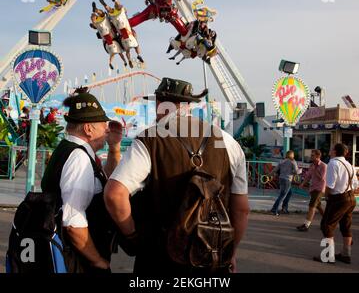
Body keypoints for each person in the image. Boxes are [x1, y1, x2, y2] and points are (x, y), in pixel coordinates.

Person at [104, 77, 249, 275]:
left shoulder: (150, 139)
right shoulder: (229, 142)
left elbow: (114, 194)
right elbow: (241, 210)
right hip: (211, 256)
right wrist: (229, 251)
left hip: (159, 258)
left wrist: (133, 237)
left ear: (159, 103)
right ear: (188, 105)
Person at [41, 87, 123, 273]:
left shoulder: (68, 149)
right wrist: (98, 261)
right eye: (104, 125)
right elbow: (73, 221)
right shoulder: (79, 158)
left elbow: (106, 181)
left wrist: (114, 148)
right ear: (88, 129)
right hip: (77, 259)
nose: (107, 129)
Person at [314, 143, 358, 264]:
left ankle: (328, 256)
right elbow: (355, 185)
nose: (329, 150)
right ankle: (346, 254)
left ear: (334, 151)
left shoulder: (333, 163)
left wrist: (326, 196)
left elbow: (330, 185)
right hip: (350, 198)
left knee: (326, 225)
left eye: (331, 148)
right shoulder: (349, 164)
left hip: (338, 198)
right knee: (346, 226)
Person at [296, 150, 327, 231]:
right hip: (312, 188)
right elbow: (308, 176)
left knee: (311, 206)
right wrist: (302, 183)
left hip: (319, 189)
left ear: (318, 156)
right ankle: (328, 221)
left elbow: (322, 178)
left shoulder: (323, 166)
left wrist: (315, 170)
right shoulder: (312, 165)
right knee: (318, 206)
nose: (311, 157)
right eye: (311, 155)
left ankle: (306, 225)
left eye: (313, 155)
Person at [270, 150, 302, 215]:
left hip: (281, 178)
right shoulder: (293, 161)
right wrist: (300, 170)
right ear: (292, 155)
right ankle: (274, 209)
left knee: (289, 193)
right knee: (282, 195)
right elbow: (296, 172)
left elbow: (275, 169)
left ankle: (284, 208)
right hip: (287, 180)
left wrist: (269, 174)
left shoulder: (282, 161)